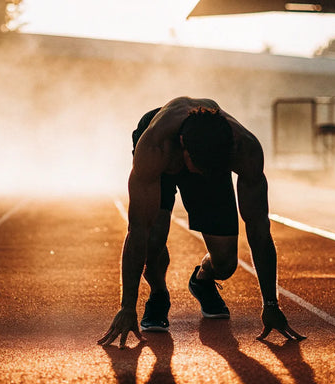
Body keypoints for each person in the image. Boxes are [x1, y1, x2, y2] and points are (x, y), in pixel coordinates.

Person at [97, 97, 305, 348]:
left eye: (211, 168)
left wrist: (271, 304)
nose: (202, 172)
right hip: (165, 155)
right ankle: (158, 294)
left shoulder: (244, 149)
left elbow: (259, 229)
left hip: (206, 155)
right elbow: (138, 228)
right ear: (183, 147)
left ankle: (202, 280)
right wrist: (127, 307)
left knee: (226, 263)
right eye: (199, 167)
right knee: (153, 239)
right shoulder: (154, 147)